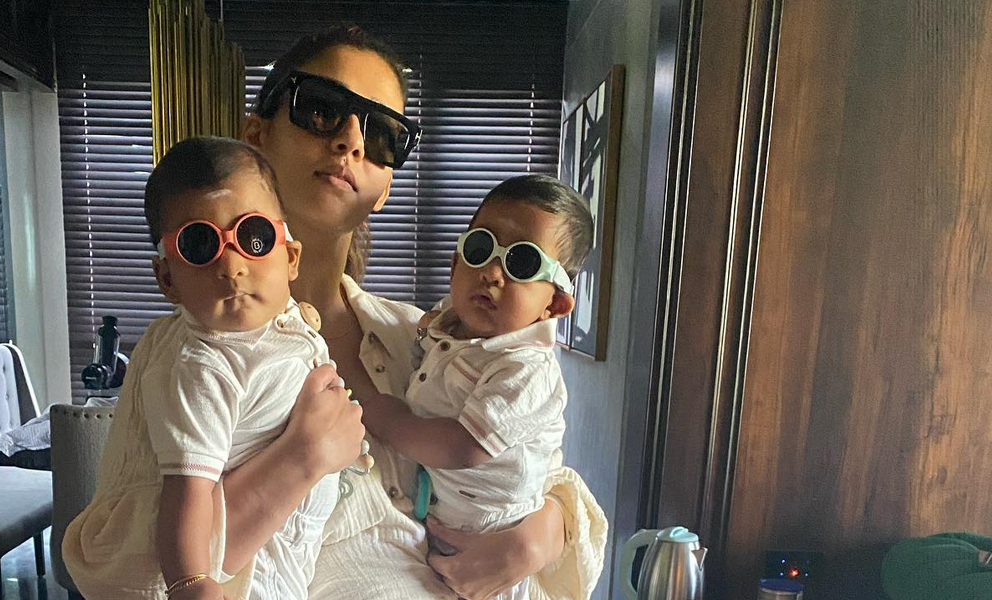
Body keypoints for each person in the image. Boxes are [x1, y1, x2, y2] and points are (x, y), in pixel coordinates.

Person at [237, 26, 610, 600]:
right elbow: (132, 562)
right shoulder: (200, 353)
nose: (351, 141)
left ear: (386, 186)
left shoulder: (424, 337)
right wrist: (296, 462)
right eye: (321, 108)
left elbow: (533, 464)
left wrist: (539, 537)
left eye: (381, 133)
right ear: (257, 137)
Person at [61, 137, 363, 600]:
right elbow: (186, 494)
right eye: (199, 245)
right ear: (167, 279)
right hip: (245, 579)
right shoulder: (200, 364)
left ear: (290, 257)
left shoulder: (281, 326)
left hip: (291, 554)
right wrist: (190, 582)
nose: (231, 265)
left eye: (254, 237)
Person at [359, 174, 594, 600]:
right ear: (455, 263)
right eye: (480, 248)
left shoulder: (525, 366)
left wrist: (388, 419)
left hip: (495, 537)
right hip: (444, 538)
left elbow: (465, 446)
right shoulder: (440, 328)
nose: (491, 272)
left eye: (522, 262)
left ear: (555, 304)